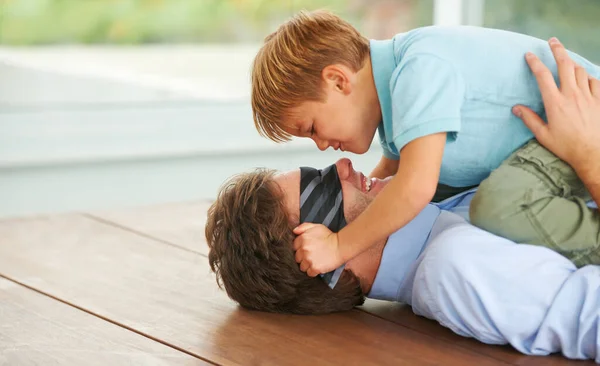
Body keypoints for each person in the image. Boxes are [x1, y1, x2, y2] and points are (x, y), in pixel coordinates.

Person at [249, 10, 600, 278]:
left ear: (338, 81)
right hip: (546, 146)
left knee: (497, 207)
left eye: (312, 128)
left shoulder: (417, 71)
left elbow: (414, 186)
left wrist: (340, 246)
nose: (322, 146)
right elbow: (386, 183)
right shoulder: (394, 102)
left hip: (577, 124)